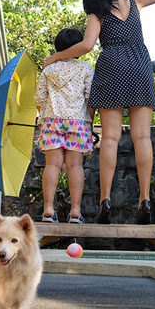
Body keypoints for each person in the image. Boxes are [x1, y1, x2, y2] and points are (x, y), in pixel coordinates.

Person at [43, 0, 155, 224]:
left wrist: (55, 57)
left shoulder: (98, 11)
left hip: (112, 65)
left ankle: (105, 200)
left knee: (111, 138)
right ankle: (144, 199)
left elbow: (87, 45)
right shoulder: (135, 0)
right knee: (142, 136)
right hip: (139, 64)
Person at [35, 28, 95, 224]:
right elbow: (90, 99)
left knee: (52, 165)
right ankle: (76, 212)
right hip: (78, 121)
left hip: (52, 120)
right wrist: (89, 122)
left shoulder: (48, 69)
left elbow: (39, 99)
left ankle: (47, 210)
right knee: (75, 166)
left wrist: (45, 117)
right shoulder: (86, 69)